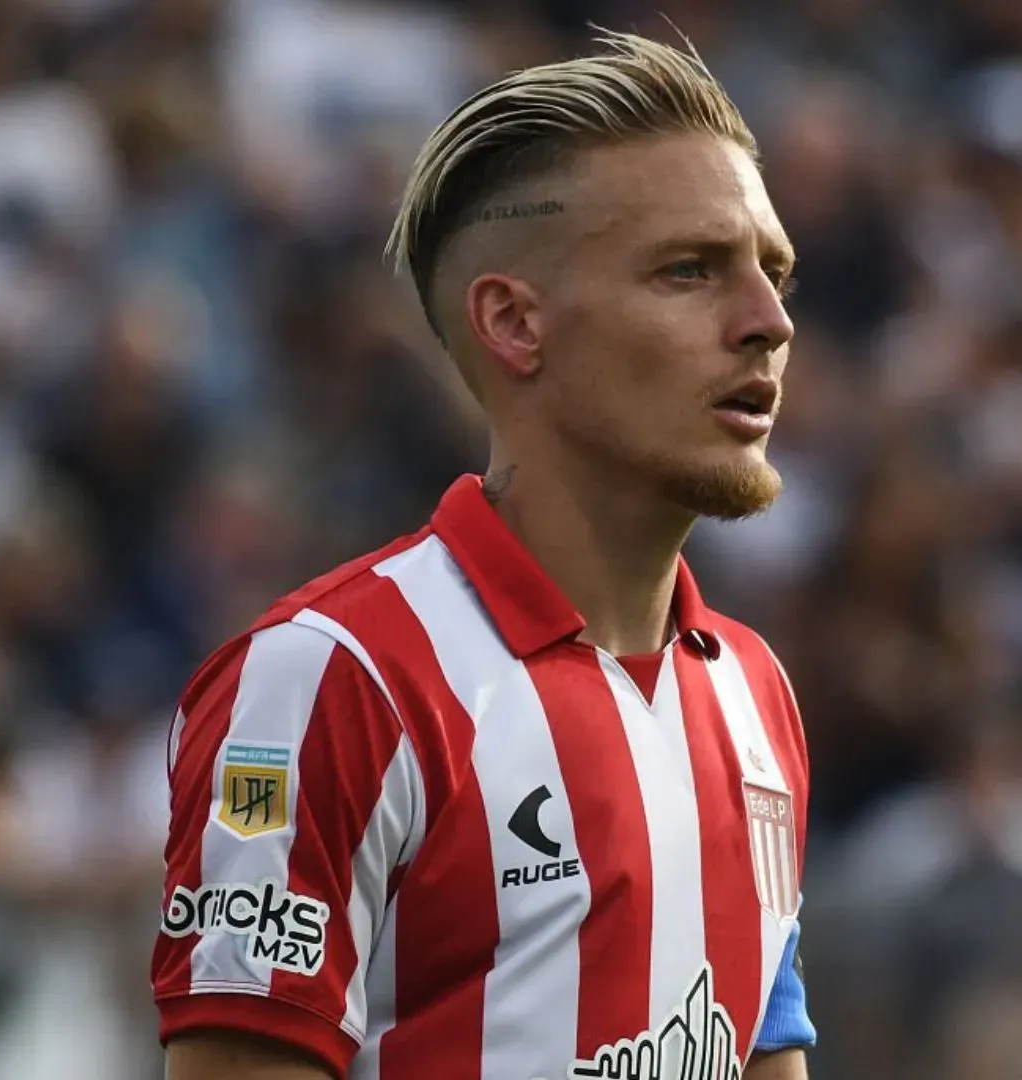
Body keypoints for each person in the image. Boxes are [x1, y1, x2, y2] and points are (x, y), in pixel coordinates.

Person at [153, 30, 815, 1080]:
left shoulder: (754, 695)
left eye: (774, 274)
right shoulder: (332, 682)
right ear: (513, 323)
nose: (768, 323)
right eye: (690, 271)